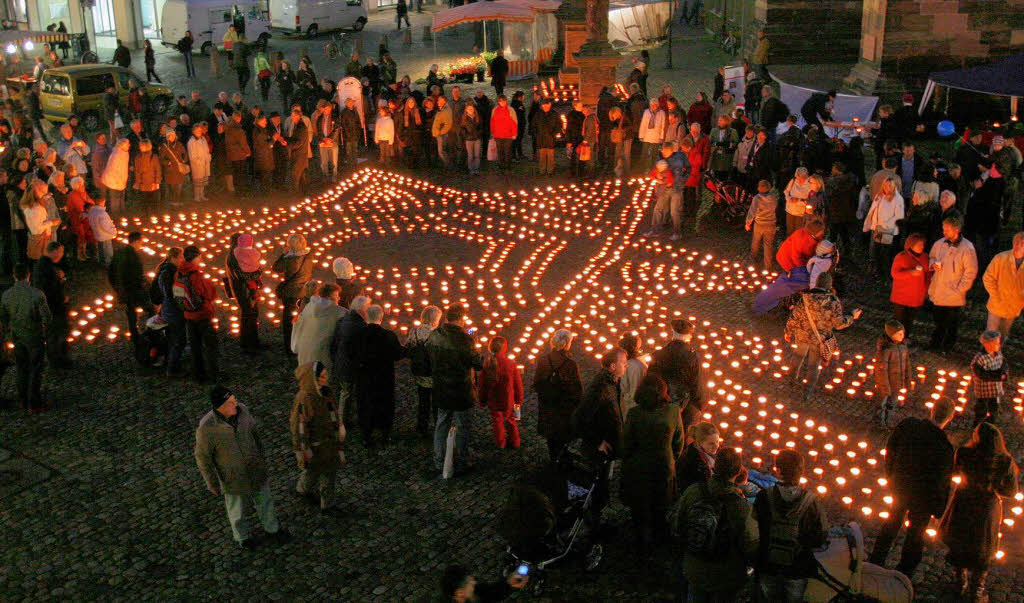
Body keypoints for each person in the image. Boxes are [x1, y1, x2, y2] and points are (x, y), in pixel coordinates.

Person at [867, 396, 954, 579]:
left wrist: (890, 474)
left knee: (891, 522)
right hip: (922, 499)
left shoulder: (908, 425)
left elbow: (890, 449)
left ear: (932, 409)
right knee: (916, 534)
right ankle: (904, 572)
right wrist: (938, 509)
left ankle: (876, 560)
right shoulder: (944, 447)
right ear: (949, 418)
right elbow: (942, 481)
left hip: (900, 486)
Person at [195, 386, 291, 549]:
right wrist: (211, 483)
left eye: (235, 400)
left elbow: (254, 434)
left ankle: (272, 529)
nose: (236, 404)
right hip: (232, 476)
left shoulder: (243, 411)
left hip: (254, 467)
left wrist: (260, 456)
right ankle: (242, 537)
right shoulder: (207, 428)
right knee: (236, 508)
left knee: (265, 500)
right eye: (231, 402)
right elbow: (203, 458)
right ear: (221, 406)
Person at [940, 422, 1019, 601]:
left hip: (964, 502)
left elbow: (954, 472)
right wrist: (994, 487)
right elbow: (1012, 491)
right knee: (983, 546)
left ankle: (960, 582)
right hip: (987, 508)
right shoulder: (1005, 461)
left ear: (976, 438)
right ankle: (976, 590)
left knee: (960, 539)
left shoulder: (963, 453)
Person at [673, 447, 759, 602]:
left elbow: (676, 523)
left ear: (714, 466)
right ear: (739, 471)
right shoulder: (741, 506)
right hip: (726, 575)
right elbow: (750, 544)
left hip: (694, 565)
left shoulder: (693, 491)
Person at [753, 449, 828, 602]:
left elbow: (754, 529)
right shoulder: (812, 502)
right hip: (797, 569)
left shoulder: (763, 497)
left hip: (768, 565)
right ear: (801, 472)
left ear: (777, 470)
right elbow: (820, 537)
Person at [620, 374, 683, 553]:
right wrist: (672, 458)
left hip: (638, 467)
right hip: (663, 466)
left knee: (641, 508)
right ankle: (660, 538)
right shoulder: (673, 411)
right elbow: (679, 441)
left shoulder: (634, 414)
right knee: (660, 505)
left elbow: (627, 443)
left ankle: (642, 541)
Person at [427, 304, 483, 476]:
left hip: (441, 388)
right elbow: (477, 363)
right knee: (462, 426)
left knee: (441, 423)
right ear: (460, 318)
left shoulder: (434, 335)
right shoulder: (465, 340)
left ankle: (439, 460)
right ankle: (462, 461)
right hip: (460, 390)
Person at [786, 273, 862, 400]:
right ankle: (808, 391)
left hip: (802, 335)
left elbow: (794, 316)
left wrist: (788, 331)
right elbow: (839, 324)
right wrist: (852, 316)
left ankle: (791, 381)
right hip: (820, 340)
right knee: (813, 365)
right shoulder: (832, 301)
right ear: (829, 285)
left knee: (798, 357)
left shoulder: (805, 298)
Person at [573, 348, 627, 523]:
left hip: (608, 447)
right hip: (598, 452)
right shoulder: (600, 388)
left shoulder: (612, 383)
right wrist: (598, 442)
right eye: (623, 362)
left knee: (603, 481)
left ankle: (598, 511)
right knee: (597, 483)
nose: (626, 365)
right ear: (612, 366)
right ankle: (594, 517)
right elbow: (579, 419)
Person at [291, 361, 344, 514]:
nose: (325, 379)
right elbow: (298, 428)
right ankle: (314, 496)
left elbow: (332, 410)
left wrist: (339, 426)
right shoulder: (305, 399)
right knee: (316, 471)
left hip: (328, 444)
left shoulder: (326, 392)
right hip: (316, 446)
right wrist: (301, 451)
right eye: (321, 376)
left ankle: (312, 494)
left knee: (325, 472)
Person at [0, 263, 50, 412]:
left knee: (21, 368)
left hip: (17, 336)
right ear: (28, 275)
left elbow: (3, 317)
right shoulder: (37, 294)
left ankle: (23, 400)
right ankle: (34, 402)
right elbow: (47, 317)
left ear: (14, 276)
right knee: (35, 368)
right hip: (34, 336)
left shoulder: (6, 295)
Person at [927, 215, 977, 353]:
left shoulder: (967, 248)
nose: (944, 232)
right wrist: (933, 265)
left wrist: (960, 289)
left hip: (954, 293)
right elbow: (931, 257)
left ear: (957, 230)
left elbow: (971, 271)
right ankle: (935, 343)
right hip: (939, 288)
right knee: (938, 319)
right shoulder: (940, 243)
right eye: (943, 229)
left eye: (947, 230)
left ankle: (947, 346)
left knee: (951, 323)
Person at [356, 304, 404, 447]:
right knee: (384, 404)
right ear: (381, 317)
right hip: (384, 377)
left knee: (365, 403)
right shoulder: (388, 336)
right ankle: (385, 434)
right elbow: (398, 354)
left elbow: (351, 353)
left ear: (366, 316)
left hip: (364, 376)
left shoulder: (358, 335)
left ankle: (366, 435)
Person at [533, 328, 583, 461]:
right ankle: (561, 459)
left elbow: (536, 383)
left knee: (551, 436)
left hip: (547, 406)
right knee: (562, 435)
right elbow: (577, 390)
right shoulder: (571, 364)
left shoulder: (543, 360)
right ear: (567, 344)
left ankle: (553, 457)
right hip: (563, 408)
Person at [174, 245, 219, 383]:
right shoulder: (195, 275)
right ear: (195, 257)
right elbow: (208, 294)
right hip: (202, 315)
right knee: (210, 346)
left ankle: (198, 374)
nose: (201, 259)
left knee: (195, 346)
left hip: (188, 314)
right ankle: (212, 376)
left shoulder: (179, 273)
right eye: (200, 256)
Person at [649, 319, 704, 420]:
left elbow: (651, 379)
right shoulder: (692, 357)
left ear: (672, 333)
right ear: (689, 336)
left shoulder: (658, 354)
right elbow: (696, 383)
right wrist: (698, 405)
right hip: (684, 405)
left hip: (661, 402)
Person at [477, 335, 523, 450]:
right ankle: (515, 441)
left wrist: (482, 400)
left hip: (493, 400)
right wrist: (519, 400)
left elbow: (482, 385)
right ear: (504, 348)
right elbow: (518, 384)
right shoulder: (510, 363)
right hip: (508, 399)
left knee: (497, 421)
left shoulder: (487, 364)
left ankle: (500, 443)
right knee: (510, 419)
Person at [29, 241, 69, 369]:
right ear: (55, 251)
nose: (62, 255)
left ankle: (59, 358)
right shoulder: (45, 267)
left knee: (56, 334)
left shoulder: (45, 264)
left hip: (53, 305)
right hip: (53, 307)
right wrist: (61, 281)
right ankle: (57, 360)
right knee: (55, 334)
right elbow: (49, 288)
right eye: (61, 252)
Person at [330, 295, 369, 426]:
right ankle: (342, 421)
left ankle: (342, 416)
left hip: (340, 361)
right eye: (367, 309)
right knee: (346, 393)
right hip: (349, 366)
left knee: (343, 391)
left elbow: (334, 342)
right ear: (361, 310)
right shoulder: (360, 326)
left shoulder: (344, 319)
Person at [273, 234, 314, 354]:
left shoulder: (289, 259)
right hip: (305, 292)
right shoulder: (309, 257)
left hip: (291, 293)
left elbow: (275, 268)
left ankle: (290, 346)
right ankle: (303, 344)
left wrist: (283, 254)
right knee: (303, 318)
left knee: (290, 320)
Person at [108, 231, 152, 342]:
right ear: (136, 242)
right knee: (151, 309)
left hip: (124, 290)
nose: (141, 245)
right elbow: (136, 275)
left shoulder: (119, 252)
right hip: (134, 290)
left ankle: (134, 333)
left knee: (131, 311)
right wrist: (145, 283)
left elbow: (110, 271)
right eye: (141, 243)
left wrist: (116, 288)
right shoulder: (133, 256)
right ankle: (152, 332)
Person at [982, 232, 1024, 342]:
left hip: (1014, 307)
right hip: (997, 305)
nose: (1018, 246)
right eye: (1016, 242)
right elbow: (988, 278)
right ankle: (985, 356)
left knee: (1003, 334)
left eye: (1022, 244)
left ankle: (997, 356)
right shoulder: (1001, 258)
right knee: (990, 335)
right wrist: (995, 295)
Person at [225, 234, 264, 352]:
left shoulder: (238, 254)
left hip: (247, 289)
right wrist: (258, 273)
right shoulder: (234, 257)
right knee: (248, 316)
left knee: (251, 315)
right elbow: (241, 275)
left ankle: (252, 341)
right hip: (243, 290)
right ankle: (248, 344)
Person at [407, 305, 442, 436]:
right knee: (436, 403)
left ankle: (422, 427)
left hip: (420, 374)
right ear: (435, 319)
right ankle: (438, 427)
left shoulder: (414, 332)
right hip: (434, 374)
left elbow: (409, 349)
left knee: (423, 401)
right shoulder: (438, 334)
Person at [890, 233, 930, 340]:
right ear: (911, 245)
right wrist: (910, 273)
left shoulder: (925, 257)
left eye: (923, 245)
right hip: (901, 296)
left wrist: (926, 289)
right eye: (919, 245)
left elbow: (928, 275)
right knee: (899, 319)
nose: (922, 247)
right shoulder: (901, 257)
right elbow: (894, 274)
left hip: (916, 296)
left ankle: (905, 338)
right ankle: (895, 339)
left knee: (909, 320)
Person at [873, 320, 910, 427]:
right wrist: (884, 386)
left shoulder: (903, 348)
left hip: (897, 384)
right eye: (899, 334)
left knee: (892, 403)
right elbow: (881, 371)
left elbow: (907, 365)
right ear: (891, 335)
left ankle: (888, 420)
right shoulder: (885, 350)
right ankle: (878, 422)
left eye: (903, 333)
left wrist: (907, 380)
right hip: (886, 384)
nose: (902, 335)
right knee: (881, 403)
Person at [971, 330, 1008, 427]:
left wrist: (1004, 372)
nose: (999, 345)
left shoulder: (998, 353)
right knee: (981, 408)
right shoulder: (980, 358)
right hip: (984, 390)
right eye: (996, 343)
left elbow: (1003, 363)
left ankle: (990, 424)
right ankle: (978, 426)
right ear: (987, 345)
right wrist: (998, 376)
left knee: (994, 407)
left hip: (995, 389)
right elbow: (981, 374)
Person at [438, 565, 527, 602]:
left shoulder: (475, 591)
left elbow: (492, 592)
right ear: (460, 593)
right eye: (470, 583)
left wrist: (508, 584)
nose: (474, 583)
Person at [676, 421, 718, 494]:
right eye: (711, 443)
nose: (716, 446)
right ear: (699, 443)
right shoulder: (690, 461)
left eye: (717, 441)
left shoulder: (711, 454)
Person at [746, 179, 778, 272]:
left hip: (759, 224)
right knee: (768, 244)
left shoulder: (757, 198)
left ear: (759, 188)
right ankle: (768, 265)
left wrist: (748, 223)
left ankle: (753, 258)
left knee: (756, 241)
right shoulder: (773, 197)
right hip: (771, 224)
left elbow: (752, 211)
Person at [532, 99, 560, 176]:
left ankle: (550, 170)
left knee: (551, 156)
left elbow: (559, 125)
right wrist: (536, 134)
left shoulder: (554, 114)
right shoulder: (538, 115)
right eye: (544, 106)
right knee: (542, 156)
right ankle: (542, 170)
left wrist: (554, 133)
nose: (545, 107)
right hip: (541, 139)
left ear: (550, 105)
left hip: (550, 138)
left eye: (547, 105)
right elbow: (533, 126)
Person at [86, 197, 117, 265]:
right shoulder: (102, 213)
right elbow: (105, 226)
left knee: (101, 251)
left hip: (98, 234)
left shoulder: (91, 211)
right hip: (105, 236)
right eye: (104, 202)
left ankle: (101, 263)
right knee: (107, 252)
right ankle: (109, 265)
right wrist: (114, 231)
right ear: (102, 202)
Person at [186, 124, 211, 203]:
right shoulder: (192, 141)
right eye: (198, 130)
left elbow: (207, 150)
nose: (200, 131)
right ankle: (197, 196)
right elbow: (192, 155)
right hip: (197, 165)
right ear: (194, 131)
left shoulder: (203, 139)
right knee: (198, 181)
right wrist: (198, 161)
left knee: (203, 181)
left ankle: (202, 195)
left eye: (200, 130)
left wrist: (208, 157)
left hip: (205, 163)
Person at [638, 100, 666, 170]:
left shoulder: (661, 113)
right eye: (652, 105)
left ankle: (652, 168)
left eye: (655, 105)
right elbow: (643, 124)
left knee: (654, 154)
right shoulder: (646, 112)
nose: (653, 106)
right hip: (647, 136)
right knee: (644, 153)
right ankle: (643, 168)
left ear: (657, 105)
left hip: (656, 136)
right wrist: (641, 135)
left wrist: (661, 137)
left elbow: (663, 125)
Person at [459, 104, 482, 176]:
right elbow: (462, 129)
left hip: (477, 138)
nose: (470, 110)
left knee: (477, 155)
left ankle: (476, 168)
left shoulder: (477, 117)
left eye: (471, 109)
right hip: (469, 139)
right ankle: (471, 169)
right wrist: (466, 135)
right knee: (470, 155)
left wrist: (479, 133)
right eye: (469, 109)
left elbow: (481, 127)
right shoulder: (464, 119)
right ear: (466, 110)